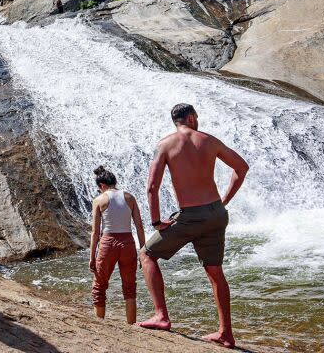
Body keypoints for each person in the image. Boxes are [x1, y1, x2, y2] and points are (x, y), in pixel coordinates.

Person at [137, 104, 249, 349]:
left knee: (146, 254)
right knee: (215, 273)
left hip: (190, 217)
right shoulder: (210, 141)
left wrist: (156, 221)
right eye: (197, 117)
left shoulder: (165, 144)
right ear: (190, 117)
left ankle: (161, 316)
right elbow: (242, 168)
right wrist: (224, 200)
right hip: (216, 214)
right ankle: (226, 334)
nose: (198, 121)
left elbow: (151, 188)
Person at [89, 166, 145, 324]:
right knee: (129, 287)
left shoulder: (100, 200)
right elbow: (139, 227)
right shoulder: (129, 197)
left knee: (99, 286)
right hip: (128, 243)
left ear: (102, 186)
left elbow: (95, 232)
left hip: (108, 243)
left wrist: (91, 257)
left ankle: (99, 324)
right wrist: (143, 251)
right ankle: (131, 325)